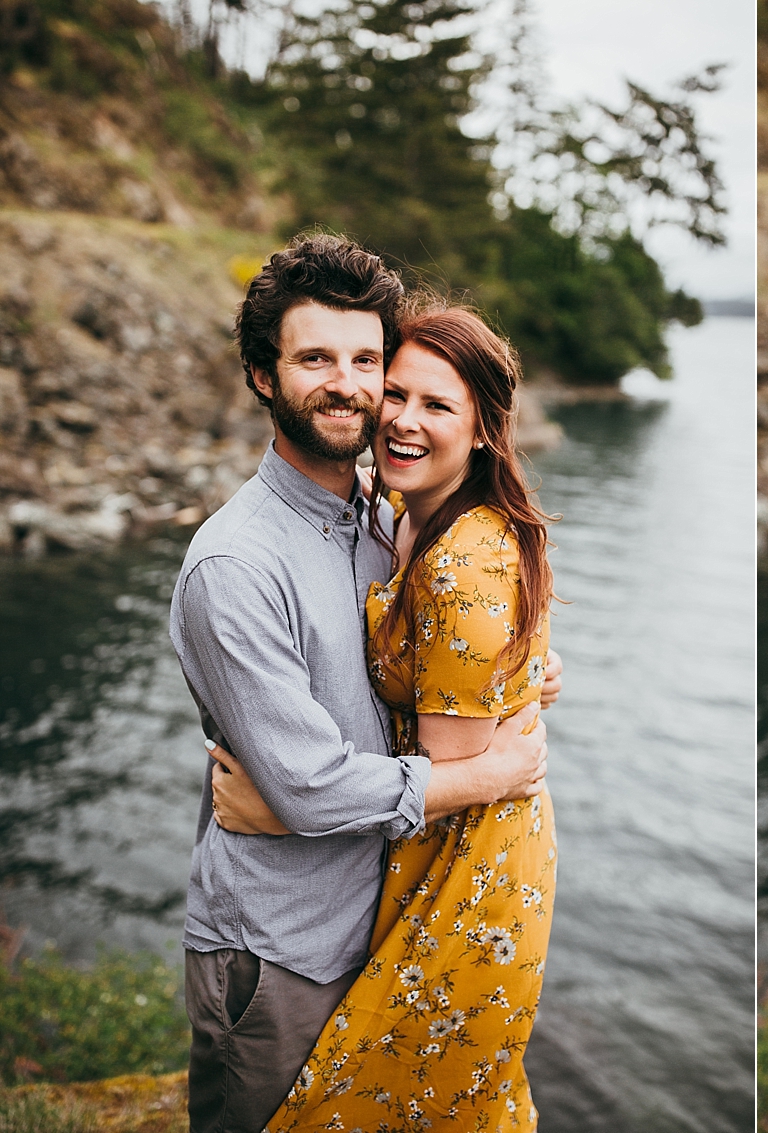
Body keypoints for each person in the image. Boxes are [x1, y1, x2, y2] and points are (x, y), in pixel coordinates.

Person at [170, 235, 552, 1133]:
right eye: (314, 358)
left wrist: (525, 670)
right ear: (264, 375)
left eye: (364, 360)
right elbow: (307, 783)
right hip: (282, 953)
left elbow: (441, 665)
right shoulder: (234, 565)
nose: (347, 383)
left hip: (384, 921)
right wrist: (487, 777)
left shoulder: (387, 521)